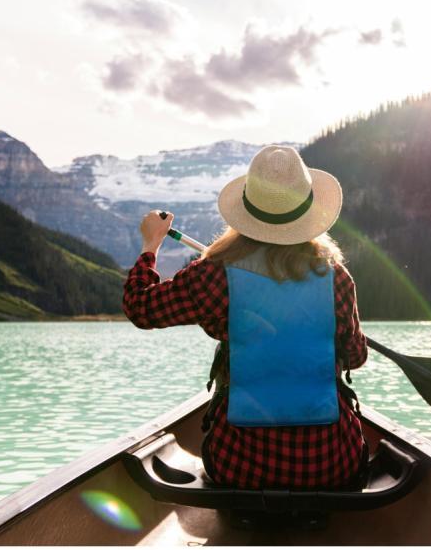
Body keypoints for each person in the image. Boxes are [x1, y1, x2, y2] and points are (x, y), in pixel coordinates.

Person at [123, 144, 368, 490]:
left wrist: (151, 246)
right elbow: (355, 358)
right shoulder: (337, 278)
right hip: (331, 463)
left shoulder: (212, 275)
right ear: (308, 212)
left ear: (246, 213)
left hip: (240, 466)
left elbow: (140, 308)